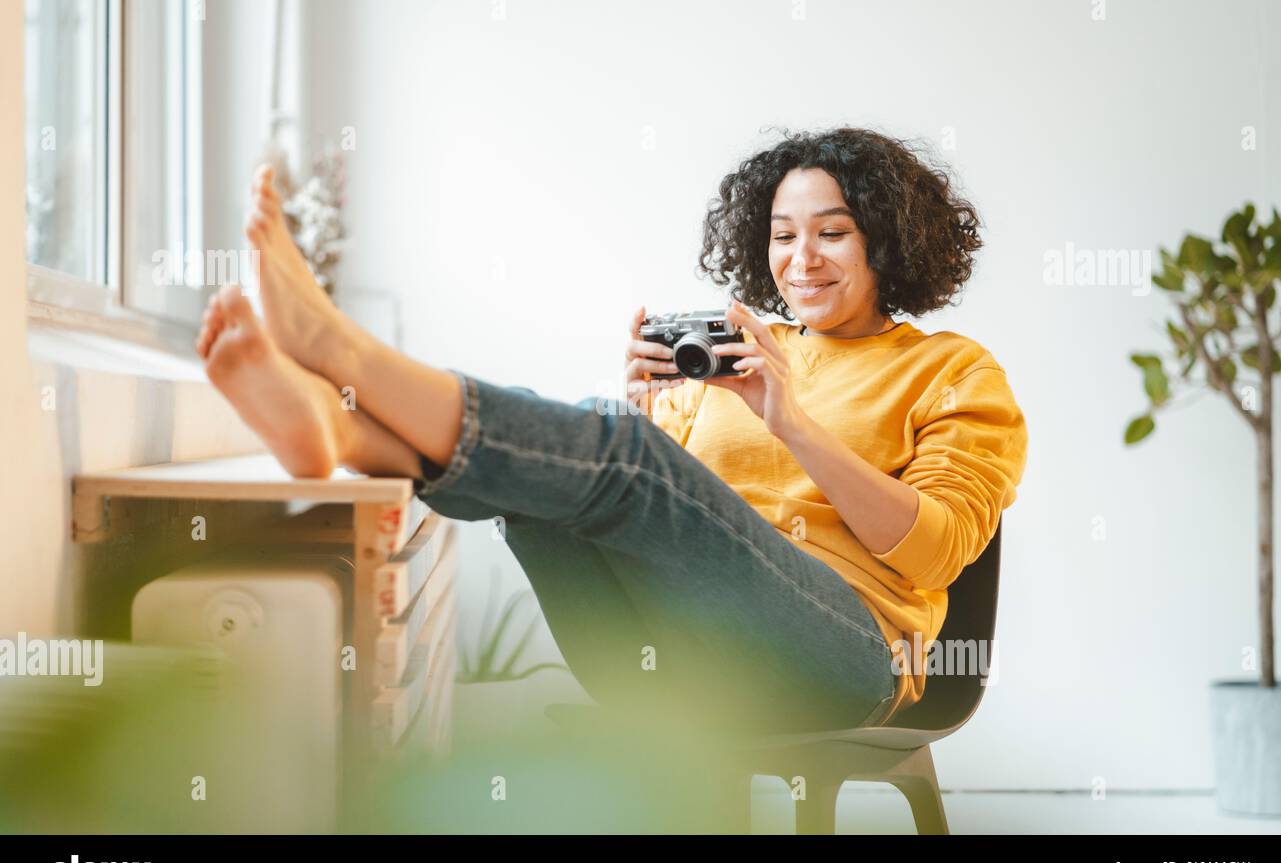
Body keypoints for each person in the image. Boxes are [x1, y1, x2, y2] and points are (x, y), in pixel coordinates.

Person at [196, 127, 1028, 735]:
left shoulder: (954, 371)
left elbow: (936, 553)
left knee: (608, 446)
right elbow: (678, 521)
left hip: (846, 659)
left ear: (888, 240)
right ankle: (345, 437)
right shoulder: (739, 362)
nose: (801, 259)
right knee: (561, 469)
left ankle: (341, 353)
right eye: (782, 235)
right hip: (672, 650)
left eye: (832, 232)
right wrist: (644, 412)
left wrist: (792, 423)